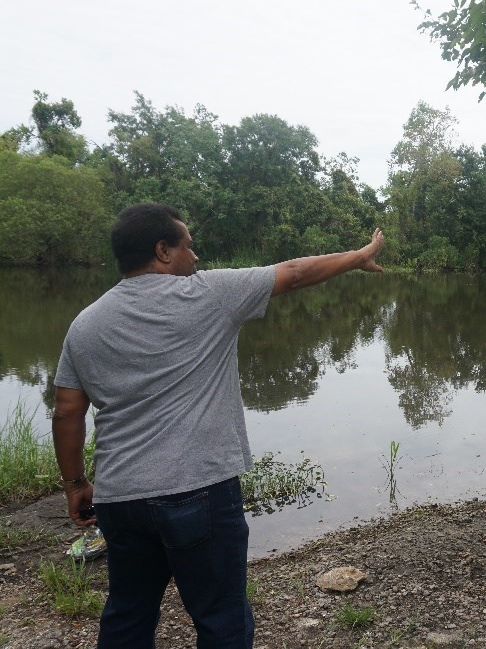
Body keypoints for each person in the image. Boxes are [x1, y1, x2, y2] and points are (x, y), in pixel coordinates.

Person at [52, 202, 383, 648]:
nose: (196, 257)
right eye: (189, 247)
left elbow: (68, 411)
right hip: (198, 492)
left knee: (128, 614)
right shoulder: (208, 294)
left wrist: (75, 484)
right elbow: (296, 272)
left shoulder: (85, 323)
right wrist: (358, 257)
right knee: (220, 617)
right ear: (162, 251)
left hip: (120, 499)